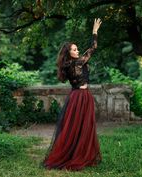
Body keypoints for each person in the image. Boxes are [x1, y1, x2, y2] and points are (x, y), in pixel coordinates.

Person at [42, 18, 102, 171]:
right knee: (80, 127)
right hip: (80, 97)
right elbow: (93, 48)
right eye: (74, 49)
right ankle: (77, 156)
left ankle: (77, 153)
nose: (77, 51)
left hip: (78, 96)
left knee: (76, 127)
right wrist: (94, 32)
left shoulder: (68, 65)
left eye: (77, 49)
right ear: (68, 53)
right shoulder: (77, 63)